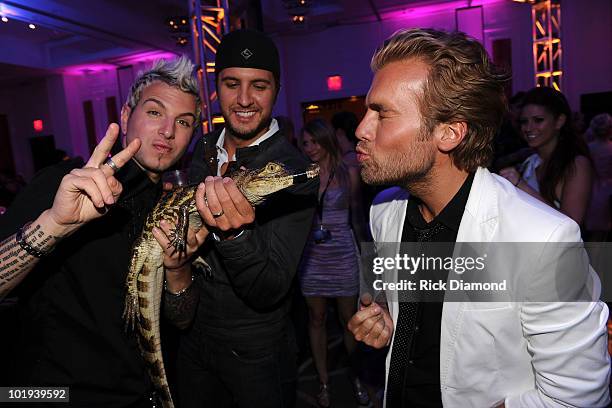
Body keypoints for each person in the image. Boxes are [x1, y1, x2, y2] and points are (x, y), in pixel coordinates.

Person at [347, 28, 610, 407]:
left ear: (450, 133)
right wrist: (387, 317)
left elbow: (578, 397)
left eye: (382, 114)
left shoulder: (542, 240)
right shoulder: (384, 210)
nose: (360, 129)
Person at [0, 56, 206, 406]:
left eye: (183, 122)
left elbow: (181, 320)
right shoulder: (63, 184)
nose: (168, 131)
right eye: (155, 112)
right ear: (126, 116)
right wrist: (54, 225)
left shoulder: (176, 210)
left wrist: (179, 268)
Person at [163, 29, 318, 408]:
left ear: (276, 90)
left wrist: (233, 236)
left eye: (259, 86)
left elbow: (269, 288)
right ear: (216, 88)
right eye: (232, 84)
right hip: (192, 341)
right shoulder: (199, 149)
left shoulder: (293, 171)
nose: (244, 99)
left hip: (255, 352)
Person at [298, 118, 369, 407]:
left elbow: (357, 217)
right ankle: (324, 381)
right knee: (316, 320)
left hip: (342, 252)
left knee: (349, 320)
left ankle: (358, 376)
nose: (310, 148)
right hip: (312, 257)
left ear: (326, 140)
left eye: (314, 141)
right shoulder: (301, 176)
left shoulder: (349, 172)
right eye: (305, 143)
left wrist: (368, 256)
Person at [499, 87, 594, 226]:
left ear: (559, 121)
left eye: (538, 120)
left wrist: (521, 186)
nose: (528, 128)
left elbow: (572, 224)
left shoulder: (577, 164)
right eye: (524, 121)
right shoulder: (531, 163)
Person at [585, 113, 612, 239]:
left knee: (594, 234)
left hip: (591, 189)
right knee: (603, 233)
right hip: (607, 190)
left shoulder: (588, 148)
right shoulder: (610, 148)